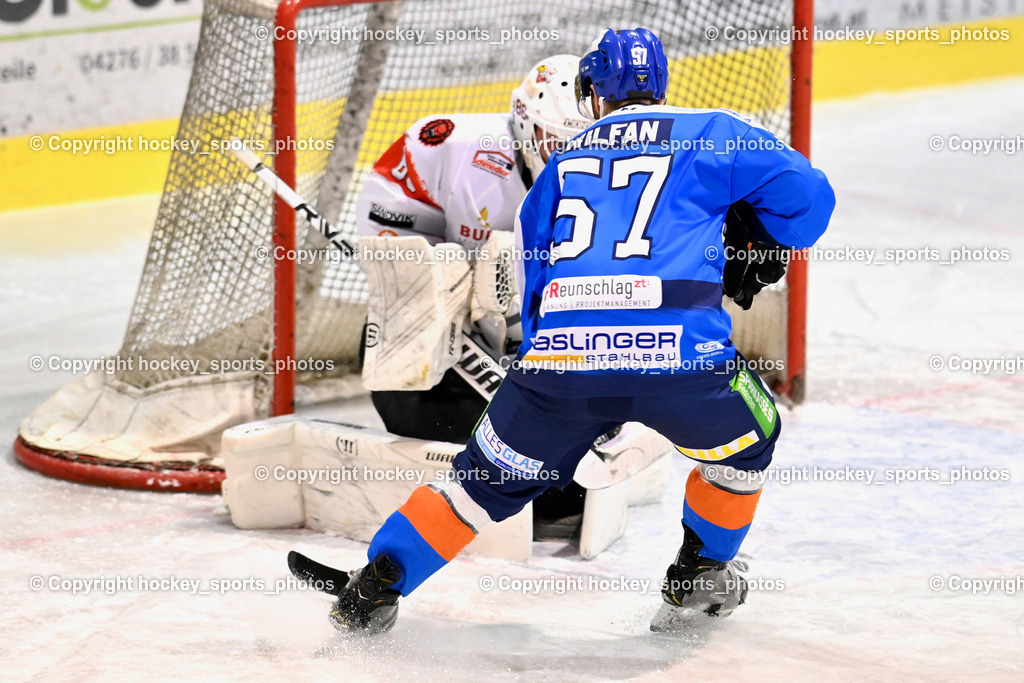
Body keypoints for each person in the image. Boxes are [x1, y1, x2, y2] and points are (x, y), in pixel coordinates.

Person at [321, 27, 836, 634]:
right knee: (753, 439)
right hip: (686, 366)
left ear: (594, 92)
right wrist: (759, 231)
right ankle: (702, 570)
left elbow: (533, 293)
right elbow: (812, 203)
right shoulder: (715, 130)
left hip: (557, 372)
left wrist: (567, 381)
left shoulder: (559, 164)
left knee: (474, 490)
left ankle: (375, 585)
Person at [355, 54, 588, 445]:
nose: (569, 155)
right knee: (400, 345)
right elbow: (385, 223)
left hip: (550, 339)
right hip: (459, 337)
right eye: (557, 141)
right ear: (525, 121)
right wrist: (436, 287)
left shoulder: (618, 173)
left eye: (582, 142)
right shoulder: (452, 145)